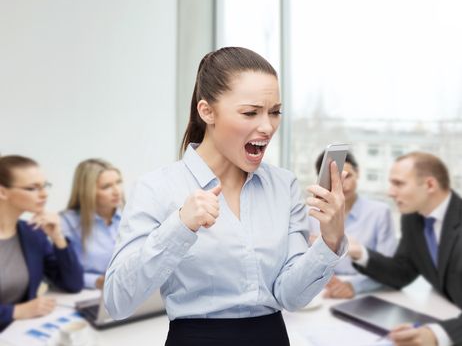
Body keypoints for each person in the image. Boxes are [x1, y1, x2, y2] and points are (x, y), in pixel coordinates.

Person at [104, 47, 348, 346]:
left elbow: (290, 296)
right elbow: (117, 301)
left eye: (274, 112)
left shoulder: (284, 186)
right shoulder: (157, 188)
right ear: (206, 111)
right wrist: (180, 226)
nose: (267, 126)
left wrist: (331, 240)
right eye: (250, 112)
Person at [349, 152, 462, 346]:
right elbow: (403, 272)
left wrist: (437, 335)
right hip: (444, 312)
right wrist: (360, 252)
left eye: (398, 183)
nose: (390, 192)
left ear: (430, 185)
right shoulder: (412, 218)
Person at [0, 155, 83, 332]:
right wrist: (15, 311)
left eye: (44, 186)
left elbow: (73, 284)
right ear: (2, 192)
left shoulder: (32, 233)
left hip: (16, 333)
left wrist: (58, 237)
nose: (44, 194)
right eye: (32, 188)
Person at [309, 151, 396, 298]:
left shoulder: (380, 213)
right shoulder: (311, 214)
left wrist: (355, 286)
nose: (342, 184)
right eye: (333, 178)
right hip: (322, 291)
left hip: (367, 290)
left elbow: (389, 268)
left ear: (358, 173)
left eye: (347, 176)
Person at [60, 159, 123, 289]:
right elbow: (63, 274)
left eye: (118, 182)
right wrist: (97, 281)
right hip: (88, 294)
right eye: (106, 186)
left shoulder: (129, 217)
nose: (117, 191)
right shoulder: (66, 223)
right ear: (87, 191)